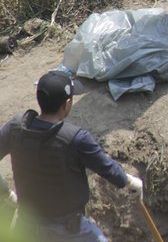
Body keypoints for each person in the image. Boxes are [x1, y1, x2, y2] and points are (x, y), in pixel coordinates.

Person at [0, 70, 143, 241]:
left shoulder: (16, 127)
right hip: (69, 231)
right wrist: (130, 181)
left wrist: (5, 193)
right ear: (67, 104)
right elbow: (109, 169)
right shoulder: (76, 139)